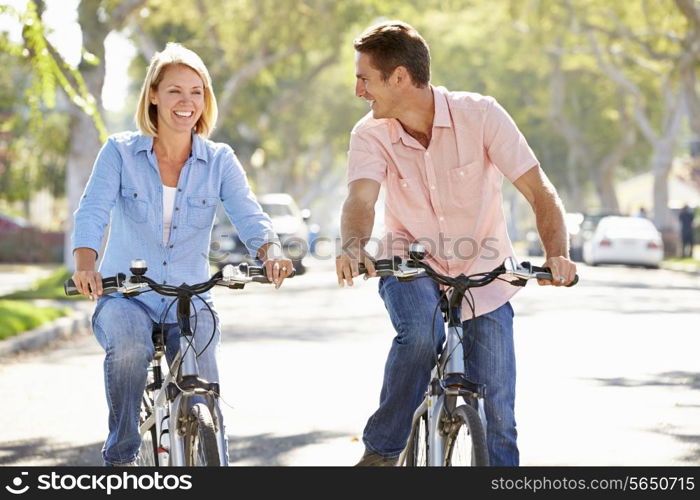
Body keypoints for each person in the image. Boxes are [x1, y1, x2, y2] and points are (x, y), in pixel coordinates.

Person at [335, 21, 577, 467]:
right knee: (421, 336)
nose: (359, 91)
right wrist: (353, 246)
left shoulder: (481, 115)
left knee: (498, 415)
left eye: (364, 78)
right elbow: (361, 197)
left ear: (401, 77)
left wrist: (556, 254)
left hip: (485, 276)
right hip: (408, 266)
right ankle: (382, 453)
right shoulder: (369, 133)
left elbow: (539, 191)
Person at [71, 42, 293, 466]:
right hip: (126, 295)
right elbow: (93, 210)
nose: (186, 102)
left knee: (203, 380)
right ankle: (120, 457)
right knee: (131, 348)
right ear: (153, 94)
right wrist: (86, 264)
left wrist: (271, 251)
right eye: (175, 91)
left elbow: (248, 214)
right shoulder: (119, 152)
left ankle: (213, 459)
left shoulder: (219, 160)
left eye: (196, 91)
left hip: (190, 296)